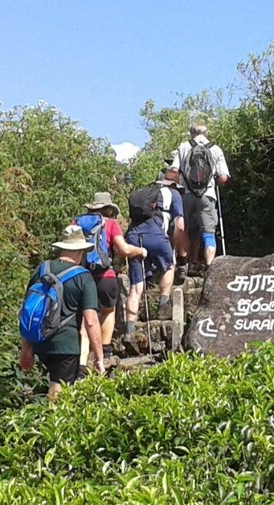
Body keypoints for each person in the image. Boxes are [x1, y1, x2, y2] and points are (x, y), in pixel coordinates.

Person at [19, 225, 104, 401]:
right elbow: (90, 321)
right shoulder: (84, 277)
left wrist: (26, 348)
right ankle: (52, 424)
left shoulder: (42, 270)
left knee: (47, 387)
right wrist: (99, 358)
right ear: (81, 251)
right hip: (65, 346)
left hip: (39, 341)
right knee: (58, 396)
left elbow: (28, 308)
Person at [75, 192, 147, 371]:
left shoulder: (77, 223)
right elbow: (124, 250)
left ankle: (82, 363)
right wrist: (140, 251)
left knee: (85, 319)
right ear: (108, 209)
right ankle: (105, 353)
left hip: (82, 276)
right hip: (105, 277)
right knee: (108, 311)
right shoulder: (111, 224)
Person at [124, 178, 184, 346]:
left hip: (133, 235)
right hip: (155, 233)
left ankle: (129, 330)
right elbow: (180, 226)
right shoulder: (173, 194)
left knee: (135, 287)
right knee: (169, 266)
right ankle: (163, 305)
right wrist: (174, 246)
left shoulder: (146, 195)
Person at [171, 124, 230, 280]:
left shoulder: (184, 146)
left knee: (184, 229)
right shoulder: (215, 149)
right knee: (208, 231)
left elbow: (174, 171)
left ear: (191, 134)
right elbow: (223, 177)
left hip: (186, 194)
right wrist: (214, 181)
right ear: (207, 133)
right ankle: (209, 269)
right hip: (208, 195)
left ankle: (183, 265)